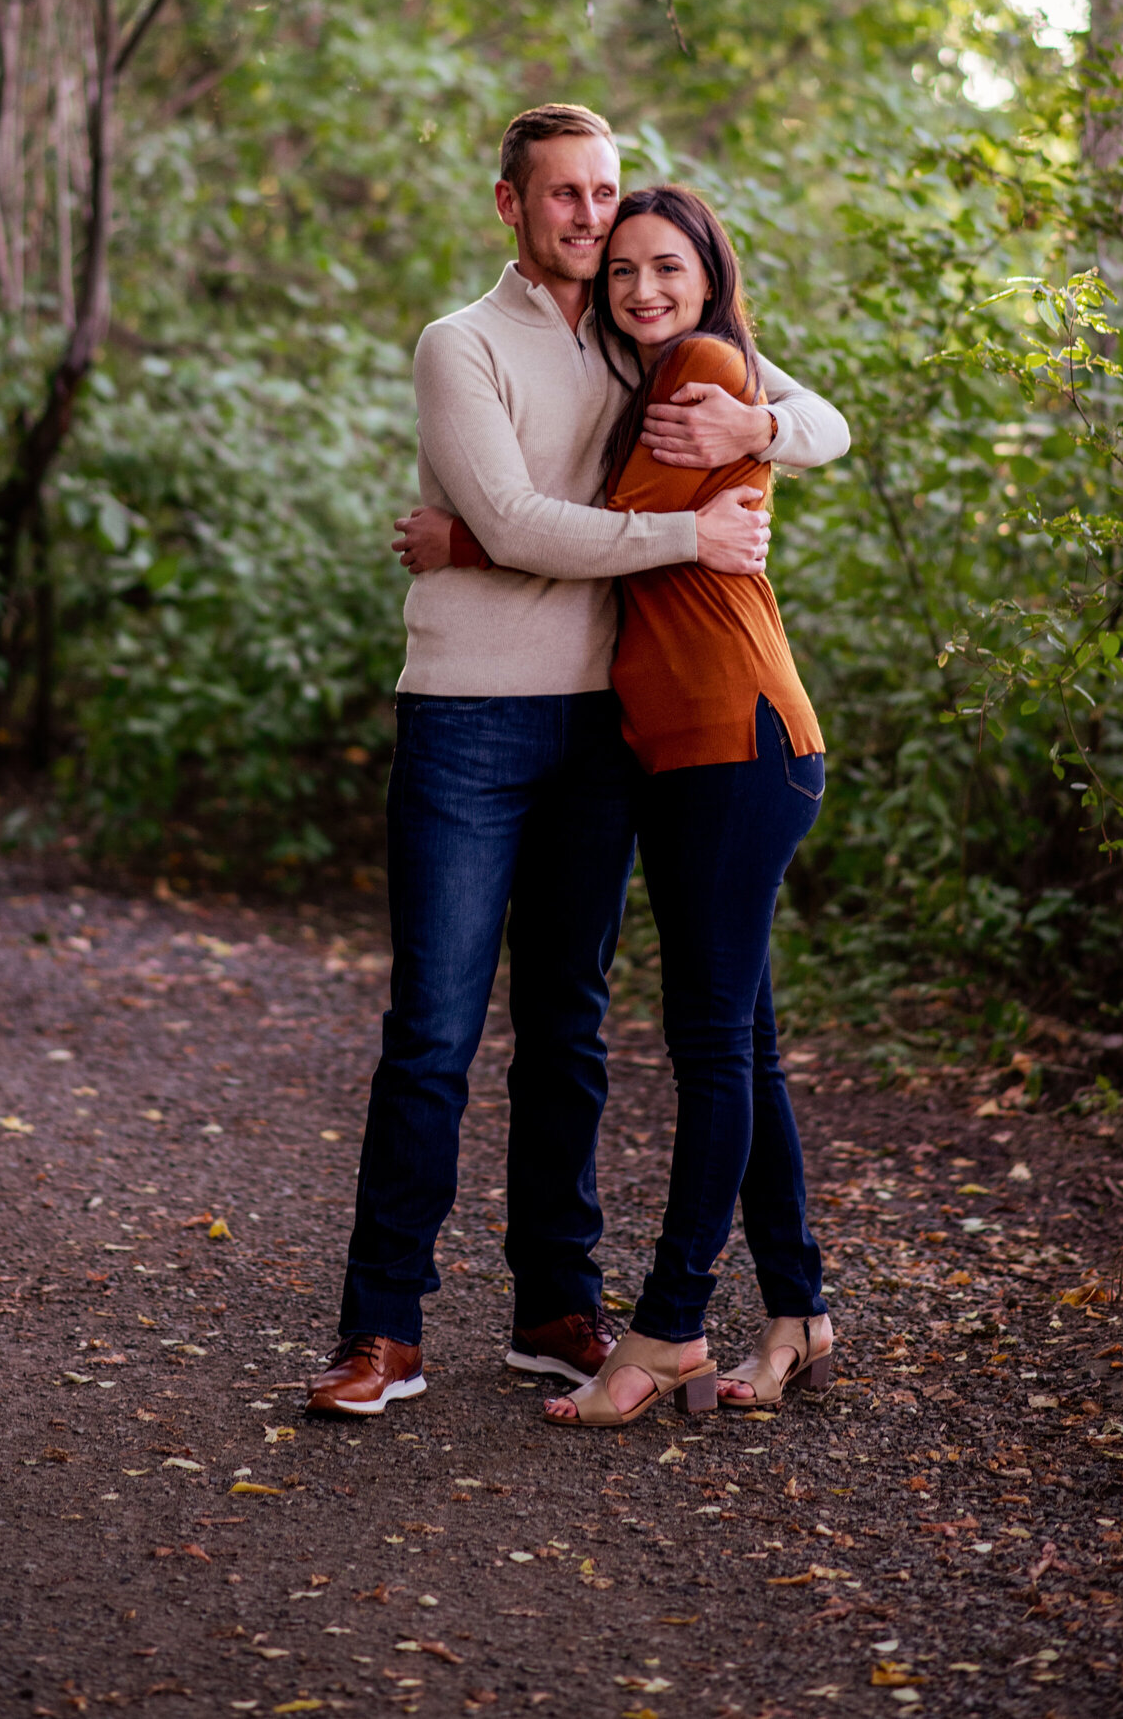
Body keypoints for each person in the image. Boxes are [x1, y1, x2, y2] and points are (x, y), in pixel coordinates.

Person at [304, 108, 849, 1419]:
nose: (593, 218)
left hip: (607, 729)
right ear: (510, 204)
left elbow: (822, 416)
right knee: (432, 1030)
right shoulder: (464, 343)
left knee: (571, 1026)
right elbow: (516, 517)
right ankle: (383, 1330)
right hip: (471, 715)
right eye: (565, 196)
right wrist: (651, 540)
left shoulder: (645, 344)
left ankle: (559, 1299)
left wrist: (757, 435)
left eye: (606, 194)